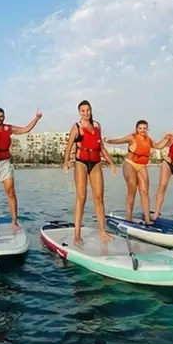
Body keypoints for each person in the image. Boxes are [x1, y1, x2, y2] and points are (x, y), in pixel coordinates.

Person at [0, 106, 42, 233]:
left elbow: (25, 129)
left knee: (10, 192)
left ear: (4, 117)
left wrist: (36, 119)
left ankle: (14, 221)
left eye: (1, 116)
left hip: (5, 162)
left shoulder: (9, 128)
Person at [63, 100, 118, 245]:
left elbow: (102, 148)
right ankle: (77, 234)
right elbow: (69, 147)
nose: (86, 113)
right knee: (81, 197)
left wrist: (112, 163)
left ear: (91, 111)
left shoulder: (97, 126)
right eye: (83, 111)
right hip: (81, 162)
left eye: (88, 110)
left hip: (96, 162)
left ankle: (102, 232)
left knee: (99, 198)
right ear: (79, 112)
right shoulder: (77, 127)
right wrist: (66, 162)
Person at [104, 120, 172, 225]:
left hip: (142, 166)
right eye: (140, 128)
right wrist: (108, 141)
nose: (142, 130)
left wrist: (166, 139)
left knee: (144, 191)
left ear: (147, 129)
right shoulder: (132, 138)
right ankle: (129, 217)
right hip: (129, 164)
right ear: (136, 129)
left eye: (144, 128)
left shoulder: (148, 140)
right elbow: (119, 141)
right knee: (132, 187)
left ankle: (147, 219)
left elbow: (158, 146)